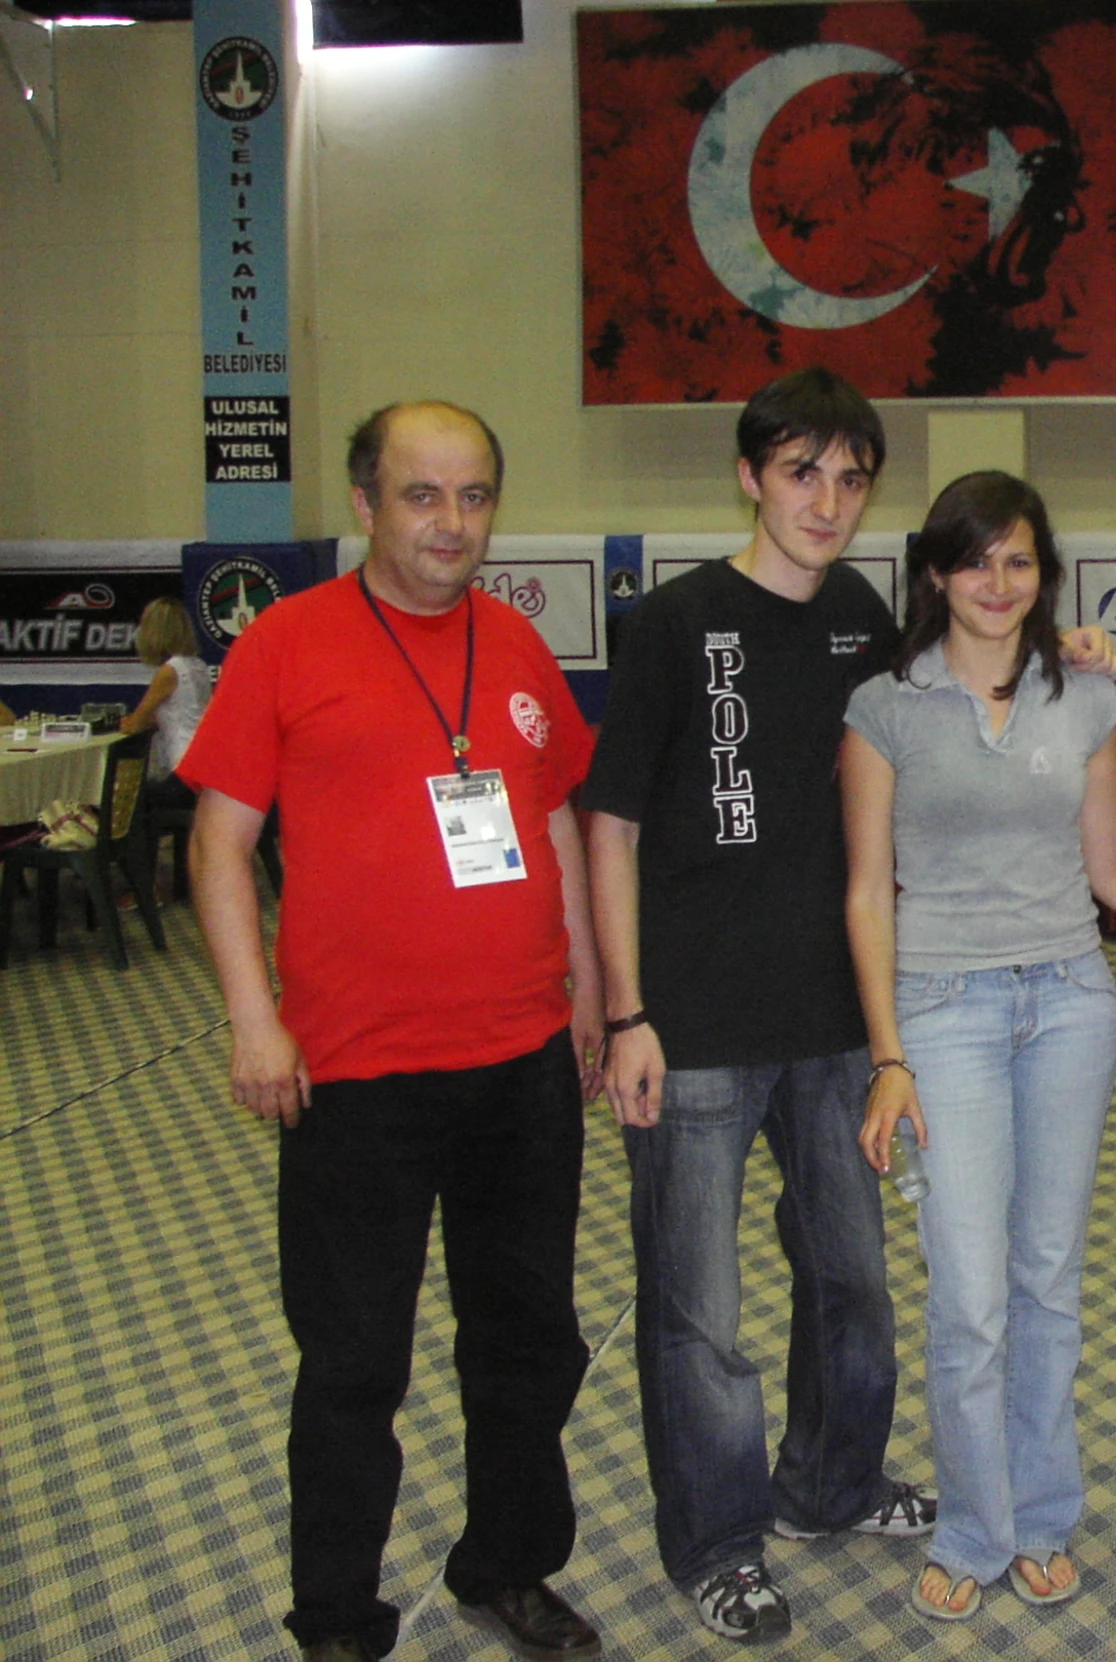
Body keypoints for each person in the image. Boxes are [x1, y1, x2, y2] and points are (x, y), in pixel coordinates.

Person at [583, 376, 1116, 1644]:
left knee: (856, 1289)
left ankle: (828, 1486)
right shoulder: (668, 622)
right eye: (799, 473)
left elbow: (974, 704)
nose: (825, 502)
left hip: (843, 1023)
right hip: (697, 1024)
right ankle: (716, 1541)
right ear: (749, 477)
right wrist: (624, 1012)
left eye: (849, 478)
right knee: (698, 1315)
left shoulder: (867, 623)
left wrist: (1078, 652)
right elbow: (605, 827)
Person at [181, 401, 605, 1662]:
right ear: (366, 504)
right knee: (356, 1362)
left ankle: (506, 1564)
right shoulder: (286, 646)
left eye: (473, 496)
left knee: (527, 1342)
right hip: (355, 1074)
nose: (451, 524)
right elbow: (218, 846)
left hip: (521, 1061)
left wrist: (582, 989)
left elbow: (560, 823)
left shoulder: (516, 645)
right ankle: (336, 1618)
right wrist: (253, 1020)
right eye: (423, 496)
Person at [843, 470, 1116, 1624]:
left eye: (1018, 562)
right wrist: (887, 1055)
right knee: (967, 1293)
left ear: (1043, 571)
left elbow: (1115, 874)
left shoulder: (1086, 701)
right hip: (941, 1011)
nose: (996, 584)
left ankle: (1043, 1515)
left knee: (1047, 1282)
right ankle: (974, 1527)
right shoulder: (884, 706)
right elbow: (870, 896)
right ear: (933, 573)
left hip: (1070, 999)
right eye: (974, 562)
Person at [120, 595, 213, 816]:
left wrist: (129, 721)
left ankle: (137, 851)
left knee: (127, 801)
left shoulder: (169, 671)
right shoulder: (197, 666)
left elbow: (136, 724)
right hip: (204, 768)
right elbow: (184, 711)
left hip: (184, 773)